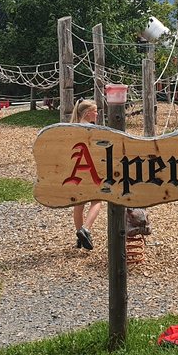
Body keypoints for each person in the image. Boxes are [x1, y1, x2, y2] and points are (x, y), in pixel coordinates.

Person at [71, 99, 104, 250]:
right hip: (90, 169)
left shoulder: (71, 127)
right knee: (97, 201)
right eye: (96, 111)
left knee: (79, 204)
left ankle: (79, 235)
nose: (97, 114)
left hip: (75, 170)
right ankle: (86, 229)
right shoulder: (92, 129)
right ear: (88, 113)